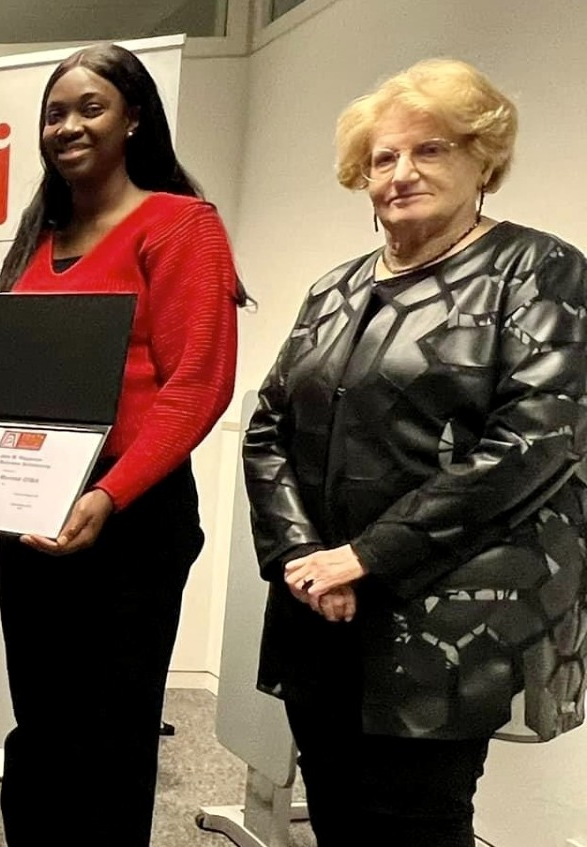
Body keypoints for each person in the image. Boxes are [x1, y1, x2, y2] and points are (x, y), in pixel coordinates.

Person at [244, 58, 587, 846]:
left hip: (443, 620)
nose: (401, 173)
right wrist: (302, 557)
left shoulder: (539, 270)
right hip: (318, 608)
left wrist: (365, 557)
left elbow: (536, 441)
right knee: (333, 809)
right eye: (383, 158)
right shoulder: (334, 289)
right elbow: (267, 427)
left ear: (482, 160)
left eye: (430, 149)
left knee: (416, 822)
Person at [0, 44, 243, 844]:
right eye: (54, 113)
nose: (67, 126)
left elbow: (197, 385)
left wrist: (110, 493)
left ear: (134, 117)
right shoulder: (40, 236)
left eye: (90, 107)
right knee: (40, 723)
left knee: (109, 736)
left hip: (129, 516)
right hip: (33, 510)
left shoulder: (181, 226)